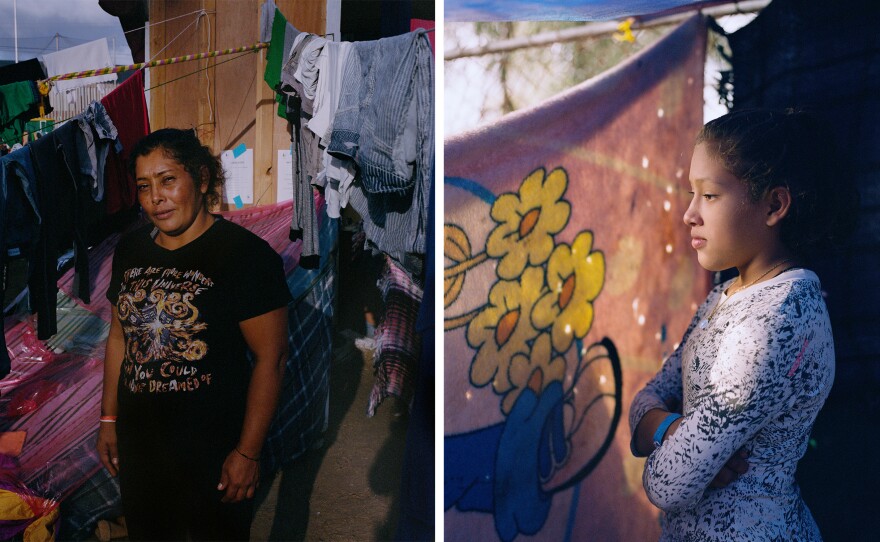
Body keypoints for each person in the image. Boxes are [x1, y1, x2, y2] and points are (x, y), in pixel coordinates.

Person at [629, 108, 857, 540]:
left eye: (710, 196)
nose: (689, 214)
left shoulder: (780, 320)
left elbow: (666, 483)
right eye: (691, 193)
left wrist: (660, 436)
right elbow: (647, 400)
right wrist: (669, 428)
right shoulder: (724, 295)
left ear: (774, 204)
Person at [96, 128, 292, 540]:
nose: (155, 198)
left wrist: (247, 452)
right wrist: (109, 419)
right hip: (142, 443)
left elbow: (270, 360)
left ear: (201, 180)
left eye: (168, 180)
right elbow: (119, 338)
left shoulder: (245, 257)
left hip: (213, 448)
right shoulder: (130, 250)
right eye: (145, 186)